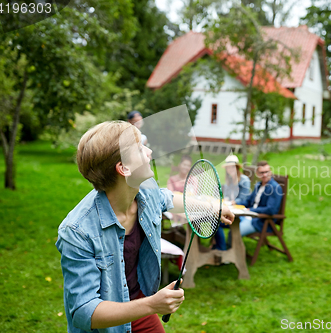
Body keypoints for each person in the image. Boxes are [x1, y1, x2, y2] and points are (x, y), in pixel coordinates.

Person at [55, 121, 234, 333]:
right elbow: (83, 311)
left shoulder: (144, 192)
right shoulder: (77, 231)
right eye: (140, 148)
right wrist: (152, 304)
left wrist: (212, 207)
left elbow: (165, 198)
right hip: (105, 325)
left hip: (138, 305)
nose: (149, 152)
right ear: (123, 168)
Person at [213, 155, 251, 250]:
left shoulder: (244, 180)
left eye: (232, 167)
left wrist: (233, 202)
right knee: (214, 221)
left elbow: (244, 199)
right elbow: (226, 196)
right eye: (228, 167)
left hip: (242, 214)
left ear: (237, 167)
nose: (230, 169)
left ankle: (226, 250)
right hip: (230, 210)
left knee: (217, 220)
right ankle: (221, 248)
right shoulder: (228, 180)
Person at [237, 161, 282, 237]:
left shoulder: (275, 188)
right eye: (261, 172)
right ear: (257, 174)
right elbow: (248, 201)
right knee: (222, 223)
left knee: (234, 232)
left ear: (270, 172)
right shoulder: (258, 185)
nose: (264, 175)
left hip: (260, 222)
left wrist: (250, 210)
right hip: (248, 216)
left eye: (267, 172)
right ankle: (218, 247)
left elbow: (271, 209)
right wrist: (235, 204)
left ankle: (230, 248)